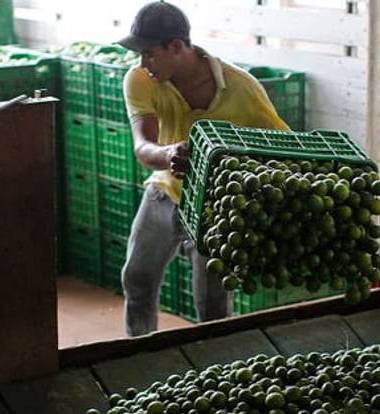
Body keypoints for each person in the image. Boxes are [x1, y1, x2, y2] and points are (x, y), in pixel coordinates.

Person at [117, 0, 290, 337]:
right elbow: (143, 146)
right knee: (137, 279)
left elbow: (280, 148)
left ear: (178, 47)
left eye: (150, 53)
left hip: (217, 207)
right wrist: (167, 154)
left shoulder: (243, 89)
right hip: (165, 192)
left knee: (212, 304)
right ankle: (136, 353)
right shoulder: (140, 80)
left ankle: (214, 368)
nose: (143, 62)